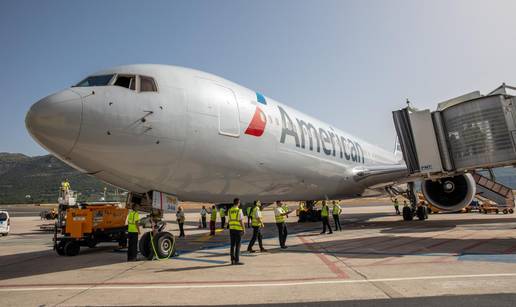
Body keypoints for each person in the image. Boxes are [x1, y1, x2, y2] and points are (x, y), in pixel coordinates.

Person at [228, 198, 245, 265]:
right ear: (238, 203)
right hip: (238, 230)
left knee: (232, 245)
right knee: (238, 245)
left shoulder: (229, 210)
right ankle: (236, 260)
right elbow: (241, 221)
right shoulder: (239, 210)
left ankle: (232, 259)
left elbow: (229, 220)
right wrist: (244, 229)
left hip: (231, 229)